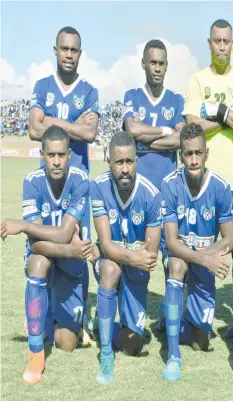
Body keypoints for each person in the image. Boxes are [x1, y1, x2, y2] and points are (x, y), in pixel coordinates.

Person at [1, 126, 92, 385]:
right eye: (50, 155)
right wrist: (69, 249)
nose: (56, 161)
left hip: (72, 265)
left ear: (69, 154)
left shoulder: (81, 179)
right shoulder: (32, 181)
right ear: (42, 154)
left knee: (67, 344)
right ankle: (35, 352)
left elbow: (64, 234)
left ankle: (45, 314)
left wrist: (23, 225)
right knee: (38, 262)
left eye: (61, 155)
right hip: (51, 256)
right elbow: (37, 245)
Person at [28, 26, 100, 338]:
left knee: (76, 247)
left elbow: (90, 134)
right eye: (64, 49)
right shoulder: (42, 85)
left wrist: (52, 123)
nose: (69, 54)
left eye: (74, 50)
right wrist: (71, 124)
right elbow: (33, 129)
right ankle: (45, 312)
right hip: (49, 184)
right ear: (55, 50)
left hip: (78, 184)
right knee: (44, 246)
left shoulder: (90, 91)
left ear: (80, 54)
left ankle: (77, 314)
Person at [183, 18, 233, 312]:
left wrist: (219, 111)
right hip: (202, 183)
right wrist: (229, 120)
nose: (222, 46)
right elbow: (193, 127)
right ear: (209, 43)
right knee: (197, 249)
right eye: (217, 41)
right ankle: (194, 315)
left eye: (226, 41)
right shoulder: (198, 81)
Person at [158, 123, 233, 381]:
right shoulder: (169, 185)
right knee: (177, 266)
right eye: (188, 154)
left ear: (206, 154)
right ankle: (172, 355)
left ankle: (169, 318)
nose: (193, 160)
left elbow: (229, 237)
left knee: (200, 341)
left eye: (198, 153)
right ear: (181, 155)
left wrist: (206, 257)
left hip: (205, 260)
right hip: (181, 255)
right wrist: (204, 257)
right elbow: (170, 241)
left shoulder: (220, 187)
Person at [89, 132, 161, 384]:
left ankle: (104, 319)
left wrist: (120, 253)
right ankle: (106, 353)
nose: (125, 168)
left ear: (136, 161)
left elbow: (150, 256)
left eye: (129, 161)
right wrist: (129, 254)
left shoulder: (151, 194)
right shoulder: (98, 187)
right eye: (119, 162)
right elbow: (107, 246)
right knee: (110, 270)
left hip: (136, 268)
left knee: (132, 346)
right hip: (114, 262)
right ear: (109, 161)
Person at [122, 39, 185, 190]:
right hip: (138, 186)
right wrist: (167, 131)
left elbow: (181, 139)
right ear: (143, 63)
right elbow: (132, 130)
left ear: (167, 66)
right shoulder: (132, 96)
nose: (157, 68)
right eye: (153, 63)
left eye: (161, 64)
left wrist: (142, 141)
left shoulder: (176, 100)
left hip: (168, 187)